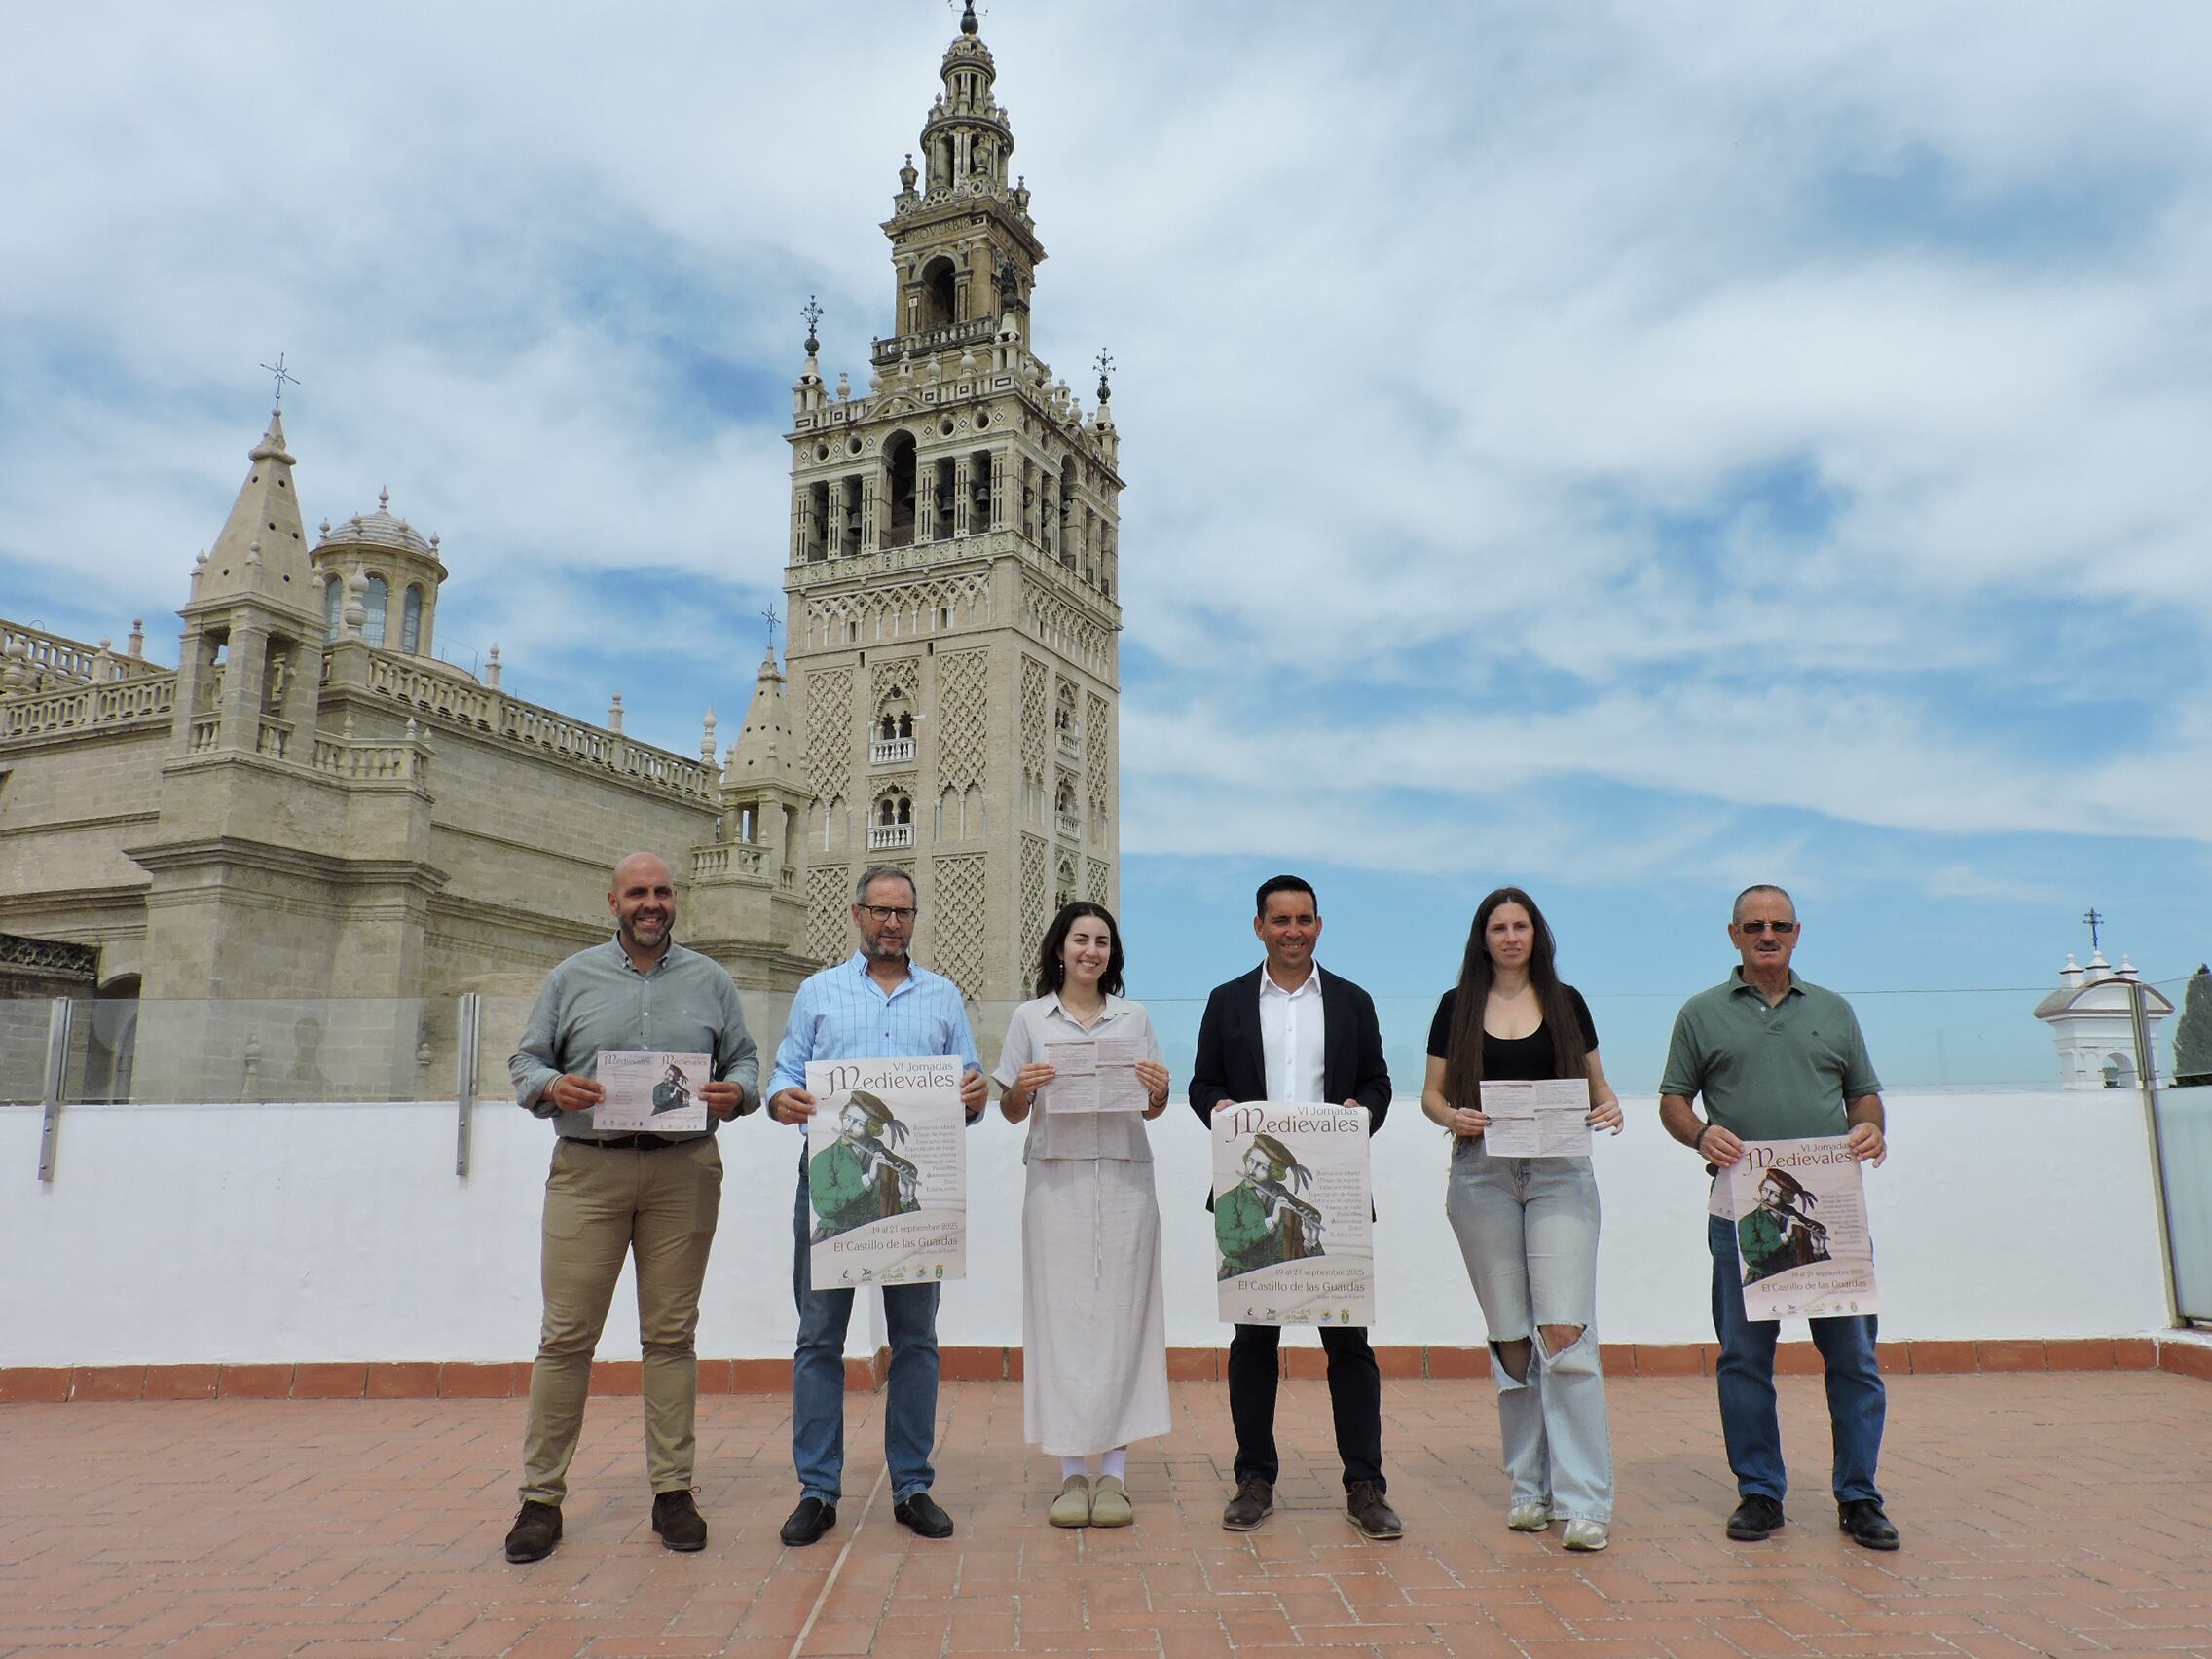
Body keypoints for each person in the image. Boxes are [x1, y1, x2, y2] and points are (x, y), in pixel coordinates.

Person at [502, 851, 758, 1564]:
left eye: (663, 893)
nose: (652, 904)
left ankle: (673, 1492)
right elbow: (526, 1061)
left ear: (676, 901)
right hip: (591, 1169)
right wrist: (554, 1087)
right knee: (565, 1337)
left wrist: (737, 1093)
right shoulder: (571, 978)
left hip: (684, 1173)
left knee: (672, 1336)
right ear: (612, 901)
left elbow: (745, 1062)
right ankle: (540, 1499)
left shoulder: (711, 981)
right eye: (639, 893)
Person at [1658, 883, 1898, 1551]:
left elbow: (1865, 1096)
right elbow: (1673, 1100)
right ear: (1733, 934)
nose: (1769, 935)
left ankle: (1860, 1498)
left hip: (1834, 1218)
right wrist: (1700, 1133)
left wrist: (1871, 1130)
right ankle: (1760, 1494)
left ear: (1797, 933)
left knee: (1853, 1358)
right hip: (1738, 1215)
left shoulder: (1835, 1012)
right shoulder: (1701, 1014)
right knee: (1743, 1359)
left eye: (1780, 925)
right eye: (1755, 925)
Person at [765, 866, 987, 1547]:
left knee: (916, 1340)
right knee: (818, 1339)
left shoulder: (944, 997)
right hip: (830, 1190)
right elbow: (783, 1079)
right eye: (881, 911)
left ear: (914, 920)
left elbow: (971, 1087)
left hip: (916, 1198)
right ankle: (818, 1489)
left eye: (904, 913)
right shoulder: (817, 992)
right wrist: (784, 1101)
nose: (893, 924)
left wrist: (975, 1097)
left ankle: (912, 1484)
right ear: (857, 914)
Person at [1189, 874, 1399, 1540]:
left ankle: (1364, 1485)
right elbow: (1203, 1085)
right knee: (1253, 1341)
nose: (1292, 930)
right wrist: (1218, 1113)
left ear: (1319, 924)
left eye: (1304, 919)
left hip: (1331, 1196)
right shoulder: (1225, 1003)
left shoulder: (1352, 1001)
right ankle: (1255, 1479)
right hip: (1250, 1204)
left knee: (1349, 1342)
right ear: (1258, 927)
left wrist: (1360, 1115)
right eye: (1279, 920)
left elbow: (1378, 1083)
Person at [1420, 887, 1625, 1553]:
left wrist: (1610, 1109)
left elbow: (1600, 1089)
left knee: (1563, 1331)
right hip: (1482, 1174)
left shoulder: (1568, 1003)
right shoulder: (1456, 1007)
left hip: (1561, 1175)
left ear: (1537, 935)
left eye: (1521, 926)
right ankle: (1529, 1490)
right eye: (1498, 927)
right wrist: (1452, 1116)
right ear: (1483, 938)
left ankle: (1587, 1500)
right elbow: (1431, 1095)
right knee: (1511, 1340)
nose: (1510, 937)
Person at [993, 901, 1173, 1530]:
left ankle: (1117, 1476)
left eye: (1101, 941)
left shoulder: (1136, 1017)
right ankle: (1072, 1472)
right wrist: (1025, 1088)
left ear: (1111, 953)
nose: (1090, 951)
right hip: (1055, 1181)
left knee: (1126, 1319)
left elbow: (1153, 1109)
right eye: (1080, 940)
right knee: (1061, 1321)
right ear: (1060, 949)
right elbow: (1010, 1110)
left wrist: (1158, 1091)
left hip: (1125, 1181)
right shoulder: (1029, 1018)